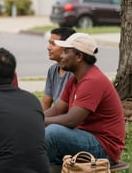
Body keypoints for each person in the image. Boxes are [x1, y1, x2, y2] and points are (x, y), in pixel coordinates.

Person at [45, 33, 125, 166]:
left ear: (79, 56)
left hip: (104, 148)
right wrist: (32, 119)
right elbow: (57, 109)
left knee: (52, 134)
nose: (62, 56)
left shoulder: (93, 81)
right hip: (83, 138)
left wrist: (39, 122)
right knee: (37, 136)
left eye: (66, 52)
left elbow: (72, 120)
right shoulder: (74, 80)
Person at [41, 27, 76, 110]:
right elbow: (45, 103)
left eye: (53, 44)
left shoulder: (74, 73)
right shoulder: (52, 70)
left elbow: (67, 111)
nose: (48, 47)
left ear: (66, 46)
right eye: (49, 43)